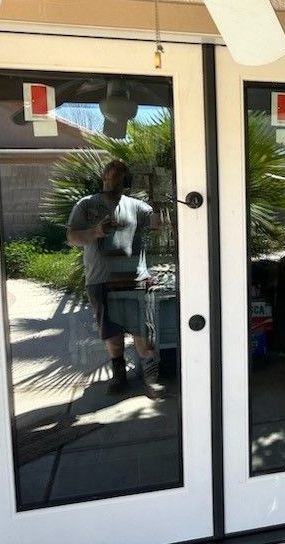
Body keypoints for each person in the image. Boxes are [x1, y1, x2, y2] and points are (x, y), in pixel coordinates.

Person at [66, 159, 166, 398]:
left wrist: (159, 204)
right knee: (112, 334)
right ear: (103, 177)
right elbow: (72, 237)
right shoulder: (86, 205)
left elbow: (158, 224)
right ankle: (119, 376)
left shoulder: (136, 206)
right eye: (111, 176)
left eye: (121, 176)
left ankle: (150, 378)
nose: (115, 181)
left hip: (134, 280)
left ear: (126, 181)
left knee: (143, 332)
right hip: (100, 279)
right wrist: (95, 231)